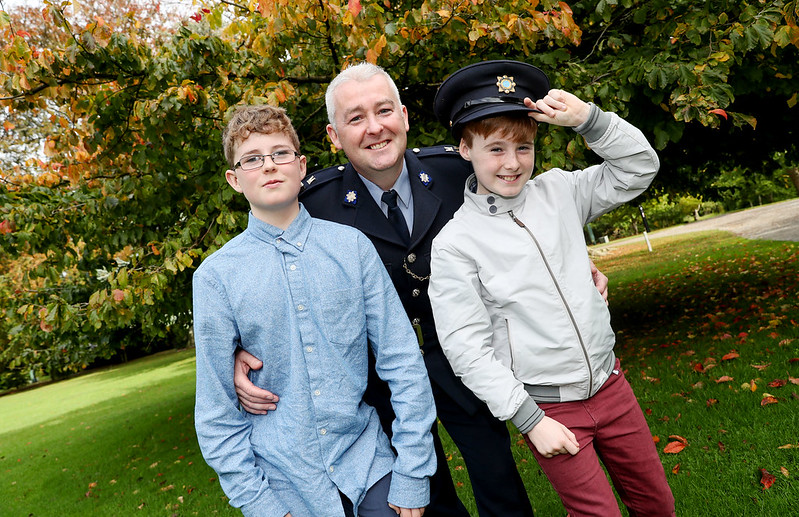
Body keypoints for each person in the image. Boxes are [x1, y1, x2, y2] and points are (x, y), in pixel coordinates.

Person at [232, 63, 609, 517]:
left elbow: (523, 219)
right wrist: (239, 349)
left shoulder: (457, 170)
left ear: (405, 116)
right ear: (334, 136)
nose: (375, 128)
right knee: (426, 493)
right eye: (355, 118)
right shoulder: (317, 203)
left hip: (464, 358)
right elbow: (262, 263)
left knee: (496, 474)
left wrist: (572, 266)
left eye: (384, 110)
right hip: (382, 374)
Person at [428, 60, 676, 517]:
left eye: (523, 147)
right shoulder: (455, 243)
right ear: (464, 149)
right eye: (495, 148)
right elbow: (466, 348)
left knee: (656, 504)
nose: (512, 163)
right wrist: (530, 420)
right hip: (549, 409)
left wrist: (589, 120)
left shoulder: (561, 190)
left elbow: (640, 167)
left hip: (611, 384)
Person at [192, 104, 436, 517]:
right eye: (252, 159)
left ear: (301, 165)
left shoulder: (352, 247)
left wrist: (412, 472)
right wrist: (260, 505)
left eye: (280, 153)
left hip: (366, 461)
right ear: (234, 179)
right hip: (283, 480)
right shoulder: (216, 278)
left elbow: (403, 361)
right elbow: (216, 413)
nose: (269, 166)